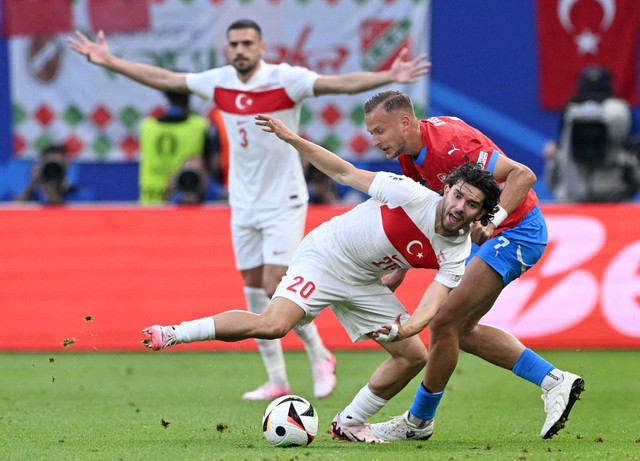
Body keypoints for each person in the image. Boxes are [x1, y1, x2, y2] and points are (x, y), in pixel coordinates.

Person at [67, 19, 430, 400]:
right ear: (228, 49)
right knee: (254, 287)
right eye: (234, 44)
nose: (239, 50)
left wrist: (388, 75)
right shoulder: (219, 81)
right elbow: (167, 79)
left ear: (261, 47)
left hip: (284, 200)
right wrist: (110, 62)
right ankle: (276, 378)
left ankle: (320, 356)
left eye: (247, 43)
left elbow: (337, 84)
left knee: (277, 284)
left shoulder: (284, 80)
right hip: (242, 202)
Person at [142, 113, 500, 444]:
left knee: (413, 355)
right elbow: (344, 173)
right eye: (458, 195)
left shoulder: (457, 251)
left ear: (482, 214)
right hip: (326, 257)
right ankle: (175, 333)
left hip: (363, 281)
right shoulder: (408, 193)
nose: (459, 208)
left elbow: (431, 306)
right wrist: (293, 139)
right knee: (273, 325)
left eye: (471, 206)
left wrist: (403, 330)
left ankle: (349, 422)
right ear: (447, 186)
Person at [359, 90, 584, 441]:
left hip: (518, 231)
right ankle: (554, 381)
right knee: (460, 330)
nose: (374, 141)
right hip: (490, 237)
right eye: (371, 132)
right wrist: (401, 266)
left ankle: (418, 422)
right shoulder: (410, 155)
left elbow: (523, 175)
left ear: (405, 122)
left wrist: (494, 219)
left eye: (379, 131)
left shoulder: (452, 144)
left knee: (444, 319)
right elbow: (423, 212)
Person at [542, 65, 640, 202]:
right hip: (612, 195)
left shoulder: (571, 110)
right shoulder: (621, 110)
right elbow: (633, 151)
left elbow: (558, 148)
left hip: (576, 195)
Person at [138, 90, 219, 204]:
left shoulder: (147, 127)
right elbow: (215, 164)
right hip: (185, 204)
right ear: (188, 98)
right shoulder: (200, 126)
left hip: (151, 204)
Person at [14, 144, 93, 205]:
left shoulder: (80, 195)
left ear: (67, 165)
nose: (53, 168)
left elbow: (64, 214)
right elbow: (12, 213)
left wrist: (51, 190)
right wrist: (32, 183)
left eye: (57, 164)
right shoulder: (35, 196)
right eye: (49, 164)